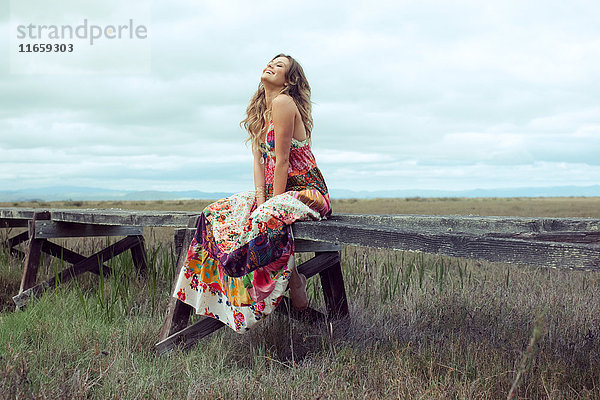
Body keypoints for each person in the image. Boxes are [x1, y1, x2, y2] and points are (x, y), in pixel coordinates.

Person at [172, 53, 332, 333]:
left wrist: (270, 204)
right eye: (271, 61)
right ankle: (235, 293)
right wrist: (260, 201)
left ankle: (276, 289)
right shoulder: (263, 111)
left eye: (279, 66)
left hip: (307, 191)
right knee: (216, 213)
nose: (271, 65)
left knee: (264, 219)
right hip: (275, 190)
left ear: (289, 80)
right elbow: (259, 165)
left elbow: (281, 161)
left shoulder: (284, 102)